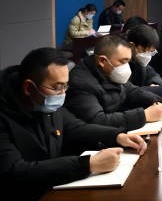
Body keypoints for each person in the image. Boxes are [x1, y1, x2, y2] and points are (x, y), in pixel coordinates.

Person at [0, 48, 147, 200]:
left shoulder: (42, 100)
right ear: (29, 87)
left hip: (50, 189)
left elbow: (75, 128)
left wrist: (117, 136)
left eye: (65, 86)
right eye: (57, 88)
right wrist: (87, 165)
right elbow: (15, 171)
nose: (63, 94)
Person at [65, 35, 162, 131]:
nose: (126, 66)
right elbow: (98, 121)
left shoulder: (109, 72)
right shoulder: (81, 83)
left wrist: (154, 101)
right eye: (123, 61)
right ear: (102, 61)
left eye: (128, 61)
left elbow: (131, 90)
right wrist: (144, 115)